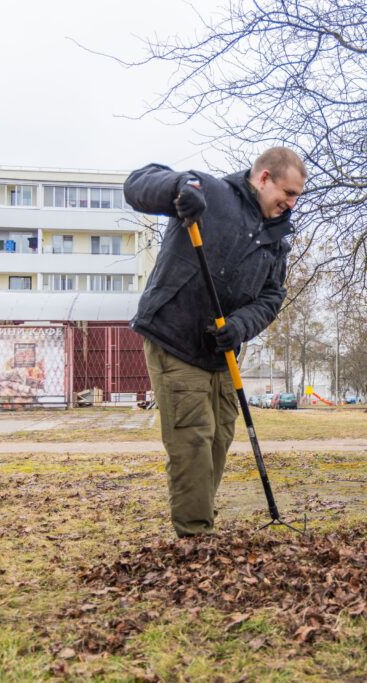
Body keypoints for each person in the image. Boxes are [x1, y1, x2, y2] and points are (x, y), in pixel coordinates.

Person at [125, 148, 306, 537]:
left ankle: (200, 518)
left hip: (222, 351)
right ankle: (195, 537)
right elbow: (138, 182)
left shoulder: (276, 240)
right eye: (287, 193)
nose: (291, 204)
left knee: (220, 436)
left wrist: (239, 325)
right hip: (174, 335)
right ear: (264, 178)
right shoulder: (207, 192)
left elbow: (272, 298)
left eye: (295, 197)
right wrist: (177, 187)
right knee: (193, 437)